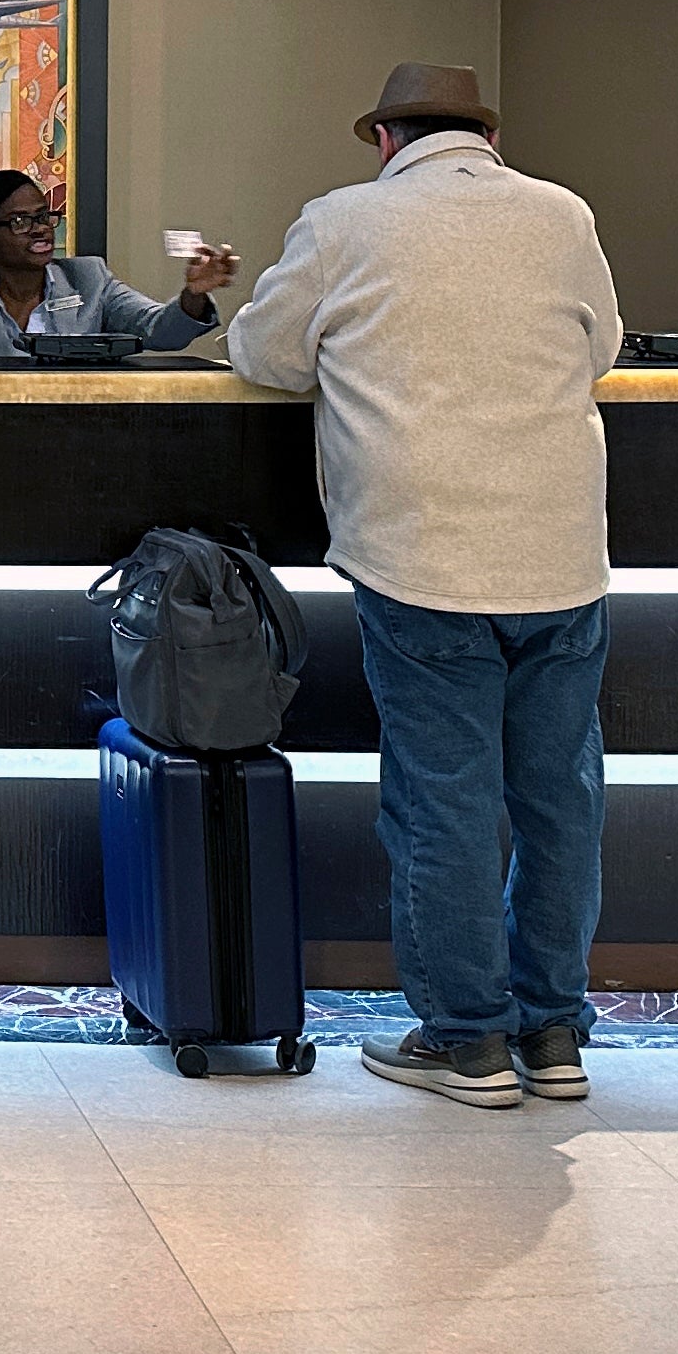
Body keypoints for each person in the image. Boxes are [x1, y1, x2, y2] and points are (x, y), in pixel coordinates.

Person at [226, 62, 623, 1110]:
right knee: (558, 802)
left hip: (422, 554)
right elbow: (605, 347)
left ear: (387, 139)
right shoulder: (562, 213)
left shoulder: (343, 221)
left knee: (445, 804)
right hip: (560, 555)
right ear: (484, 136)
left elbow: (263, 353)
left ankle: (467, 1041)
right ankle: (553, 1037)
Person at [0, 169, 237, 367]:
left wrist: (192, 294)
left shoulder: (89, 280)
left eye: (43, 217)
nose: (40, 229)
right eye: (19, 222)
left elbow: (160, 331)